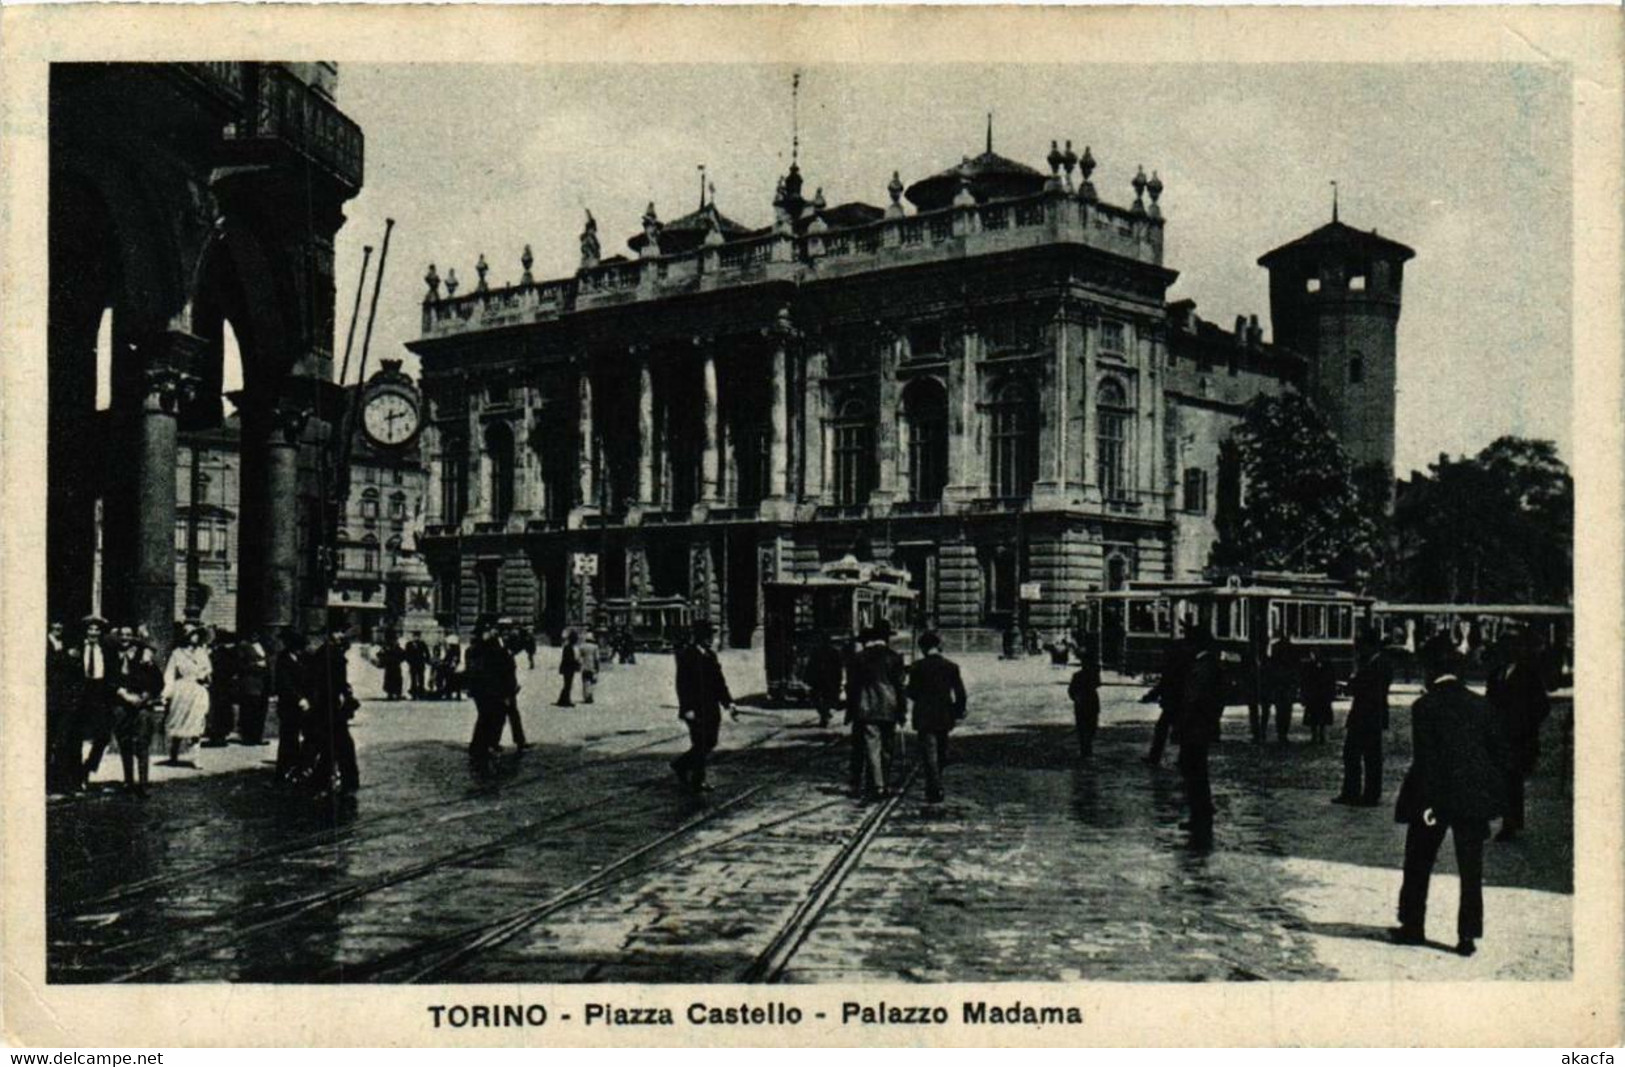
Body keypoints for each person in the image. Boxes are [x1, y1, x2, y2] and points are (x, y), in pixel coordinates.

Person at [1393, 638, 1509, 957]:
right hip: (1472, 801)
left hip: (1435, 800)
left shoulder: (1425, 706)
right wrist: (1491, 800)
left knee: (1418, 862)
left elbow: (1426, 760)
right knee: (1471, 870)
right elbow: (1498, 756)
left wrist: (1428, 805)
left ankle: (1413, 926)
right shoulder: (1481, 704)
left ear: (1432, 669)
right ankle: (1467, 936)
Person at [1487, 627, 1552, 841]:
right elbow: (1489, 704)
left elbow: (1542, 706)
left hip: (1519, 739)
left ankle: (1510, 824)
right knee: (1499, 780)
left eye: (1508, 648)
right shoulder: (1496, 674)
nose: (1504, 653)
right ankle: (1501, 820)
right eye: (1502, 649)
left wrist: (1525, 724)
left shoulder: (1529, 675)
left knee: (1512, 782)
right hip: (1498, 738)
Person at [1175, 622, 1225, 846]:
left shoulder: (1204, 666)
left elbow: (1193, 699)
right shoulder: (1206, 663)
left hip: (1196, 727)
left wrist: (1182, 724)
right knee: (1195, 770)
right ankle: (1199, 814)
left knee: (1194, 770)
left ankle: (1200, 815)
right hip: (1200, 726)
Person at [671, 620, 735, 793]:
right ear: (699, 637)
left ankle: (681, 765)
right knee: (700, 743)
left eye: (711, 636)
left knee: (710, 742)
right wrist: (687, 708)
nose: (710, 639)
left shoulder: (710, 655)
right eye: (707, 636)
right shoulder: (687, 655)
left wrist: (729, 703)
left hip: (711, 707)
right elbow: (682, 685)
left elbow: (719, 682)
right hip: (695, 709)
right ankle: (698, 780)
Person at [848, 623, 908, 802]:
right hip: (890, 708)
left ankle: (878, 786)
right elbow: (900, 687)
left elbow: (853, 687)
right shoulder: (895, 657)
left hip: (867, 708)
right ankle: (884, 782)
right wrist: (902, 711)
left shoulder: (859, 658)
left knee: (872, 747)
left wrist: (851, 711)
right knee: (887, 748)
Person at [906, 631, 966, 804]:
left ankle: (934, 788)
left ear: (923, 648)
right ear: (938, 646)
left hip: (924, 716)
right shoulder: (951, 666)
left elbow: (912, 692)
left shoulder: (917, 667)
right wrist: (957, 711)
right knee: (941, 752)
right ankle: (936, 783)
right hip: (944, 716)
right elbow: (960, 694)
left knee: (929, 753)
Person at [1335, 630, 1392, 806]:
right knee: (1354, 754)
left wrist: (1353, 682)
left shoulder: (1379, 664)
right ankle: (1354, 792)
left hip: (1369, 716)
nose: (1359, 650)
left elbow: (1368, 689)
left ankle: (1368, 794)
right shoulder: (1373, 663)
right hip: (1364, 715)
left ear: (1371, 646)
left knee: (1368, 756)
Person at [305, 625, 360, 796]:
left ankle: (322, 781)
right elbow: (330, 682)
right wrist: (344, 695)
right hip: (330, 706)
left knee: (333, 746)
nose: (341, 634)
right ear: (329, 635)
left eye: (341, 631)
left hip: (329, 705)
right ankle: (345, 782)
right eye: (338, 631)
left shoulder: (328, 652)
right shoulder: (331, 654)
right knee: (341, 745)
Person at [109, 625, 163, 796]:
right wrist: (123, 693)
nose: (125, 638)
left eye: (129, 635)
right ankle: (128, 781)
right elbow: (108, 680)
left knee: (142, 743)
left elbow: (158, 682)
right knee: (124, 742)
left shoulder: (143, 656)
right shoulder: (111, 656)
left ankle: (144, 783)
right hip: (121, 704)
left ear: (134, 637)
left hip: (142, 705)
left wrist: (145, 696)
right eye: (122, 635)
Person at [1141, 622, 1195, 766]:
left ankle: (1156, 757)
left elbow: (1164, 684)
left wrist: (1151, 696)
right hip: (1181, 701)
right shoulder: (1187, 660)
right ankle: (1182, 758)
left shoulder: (1173, 667)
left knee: (1163, 729)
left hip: (1174, 702)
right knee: (1179, 730)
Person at [466, 619, 515, 773]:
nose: (492, 633)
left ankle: (480, 746)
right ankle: (485, 745)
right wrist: (507, 690)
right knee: (493, 717)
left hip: (483, 689)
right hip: (491, 690)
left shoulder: (476, 649)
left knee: (486, 717)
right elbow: (504, 670)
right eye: (489, 631)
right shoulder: (490, 649)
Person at [160, 624, 212, 767]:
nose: (193, 637)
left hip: (197, 690)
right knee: (179, 720)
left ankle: (196, 758)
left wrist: (205, 677)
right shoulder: (177, 653)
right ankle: (174, 755)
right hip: (182, 690)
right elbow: (169, 674)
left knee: (197, 721)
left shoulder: (202, 652)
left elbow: (208, 670)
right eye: (190, 634)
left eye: (196, 634)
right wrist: (167, 693)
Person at [74, 616, 116, 788]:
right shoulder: (77, 649)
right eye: (90, 629)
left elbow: (111, 673)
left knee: (103, 735)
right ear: (86, 631)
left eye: (97, 630)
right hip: (82, 693)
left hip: (100, 693)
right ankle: (77, 777)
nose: (93, 633)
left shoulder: (105, 650)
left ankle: (88, 767)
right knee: (77, 735)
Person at [46, 620, 79, 796]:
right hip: (51, 699)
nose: (58, 630)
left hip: (63, 699)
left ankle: (60, 781)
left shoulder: (63, 644)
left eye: (60, 628)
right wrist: (66, 655)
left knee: (62, 741)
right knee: (50, 740)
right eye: (55, 628)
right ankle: (50, 782)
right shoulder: (46, 645)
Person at [273, 628, 311, 784]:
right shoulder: (283, 660)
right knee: (289, 737)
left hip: (307, 704)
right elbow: (285, 683)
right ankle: (284, 769)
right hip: (289, 705)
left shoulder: (305, 658)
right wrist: (299, 699)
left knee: (308, 736)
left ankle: (302, 767)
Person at [1259, 633, 1299, 744]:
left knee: (1279, 711)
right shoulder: (1291, 651)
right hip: (1283, 685)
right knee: (1285, 711)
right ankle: (1282, 734)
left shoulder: (1275, 650)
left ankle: (1277, 733)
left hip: (1278, 685)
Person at [1068, 637, 1103, 758]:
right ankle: (1086, 749)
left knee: (1083, 729)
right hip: (1091, 703)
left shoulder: (1077, 676)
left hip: (1081, 705)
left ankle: (1085, 749)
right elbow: (1098, 684)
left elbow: (1071, 691)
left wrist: (1076, 698)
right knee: (1091, 727)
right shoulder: (1093, 675)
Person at [203, 629, 238, 747]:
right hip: (226, 686)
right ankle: (221, 736)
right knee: (224, 711)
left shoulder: (218, 654)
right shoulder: (229, 653)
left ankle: (217, 736)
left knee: (217, 712)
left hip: (218, 686)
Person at [236, 631, 271, 745]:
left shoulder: (262, 646)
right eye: (253, 633)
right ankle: (247, 737)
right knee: (249, 710)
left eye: (257, 634)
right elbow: (240, 665)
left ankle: (257, 736)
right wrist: (255, 665)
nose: (255, 635)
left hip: (262, 683)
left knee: (260, 710)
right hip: (250, 683)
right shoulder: (243, 646)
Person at [806, 632, 845, 729]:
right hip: (824, 681)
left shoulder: (830, 652)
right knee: (821, 699)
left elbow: (838, 667)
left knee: (822, 699)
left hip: (825, 681)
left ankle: (825, 715)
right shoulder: (829, 652)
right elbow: (811, 666)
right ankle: (825, 714)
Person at [1300, 650, 1336, 745]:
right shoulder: (1311, 666)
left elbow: (1331, 681)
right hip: (1315, 696)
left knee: (1319, 717)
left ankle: (1319, 735)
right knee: (1315, 717)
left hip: (1320, 696)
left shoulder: (1323, 666)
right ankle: (1316, 735)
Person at [556, 630, 580, 707]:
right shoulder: (568, 647)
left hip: (568, 668)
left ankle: (562, 700)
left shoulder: (568, 647)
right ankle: (565, 701)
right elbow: (568, 659)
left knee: (567, 684)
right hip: (568, 668)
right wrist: (576, 662)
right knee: (568, 685)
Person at [379, 633, 405, 700]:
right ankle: (390, 694)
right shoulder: (386, 647)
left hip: (395, 666)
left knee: (397, 680)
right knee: (389, 680)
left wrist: (399, 660)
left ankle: (397, 694)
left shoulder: (397, 648)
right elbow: (380, 654)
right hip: (389, 666)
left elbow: (403, 655)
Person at [404, 631, 431, 698]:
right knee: (413, 678)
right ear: (412, 637)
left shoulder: (422, 644)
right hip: (413, 664)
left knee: (421, 678)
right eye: (414, 636)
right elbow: (406, 654)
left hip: (420, 663)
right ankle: (414, 692)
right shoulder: (409, 644)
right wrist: (409, 661)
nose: (416, 638)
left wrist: (426, 660)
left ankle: (421, 692)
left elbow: (427, 653)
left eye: (417, 636)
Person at [577, 630, 601, 705]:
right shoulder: (595, 647)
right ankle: (590, 695)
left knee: (585, 681)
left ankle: (586, 696)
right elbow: (597, 658)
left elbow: (579, 658)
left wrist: (579, 665)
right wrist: (598, 667)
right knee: (592, 681)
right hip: (592, 666)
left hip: (584, 667)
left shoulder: (582, 646)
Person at [439, 635, 463, 700]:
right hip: (450, 667)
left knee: (451, 680)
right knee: (450, 680)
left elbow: (454, 658)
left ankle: (450, 693)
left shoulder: (453, 650)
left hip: (452, 667)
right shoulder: (454, 650)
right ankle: (451, 693)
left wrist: (450, 663)